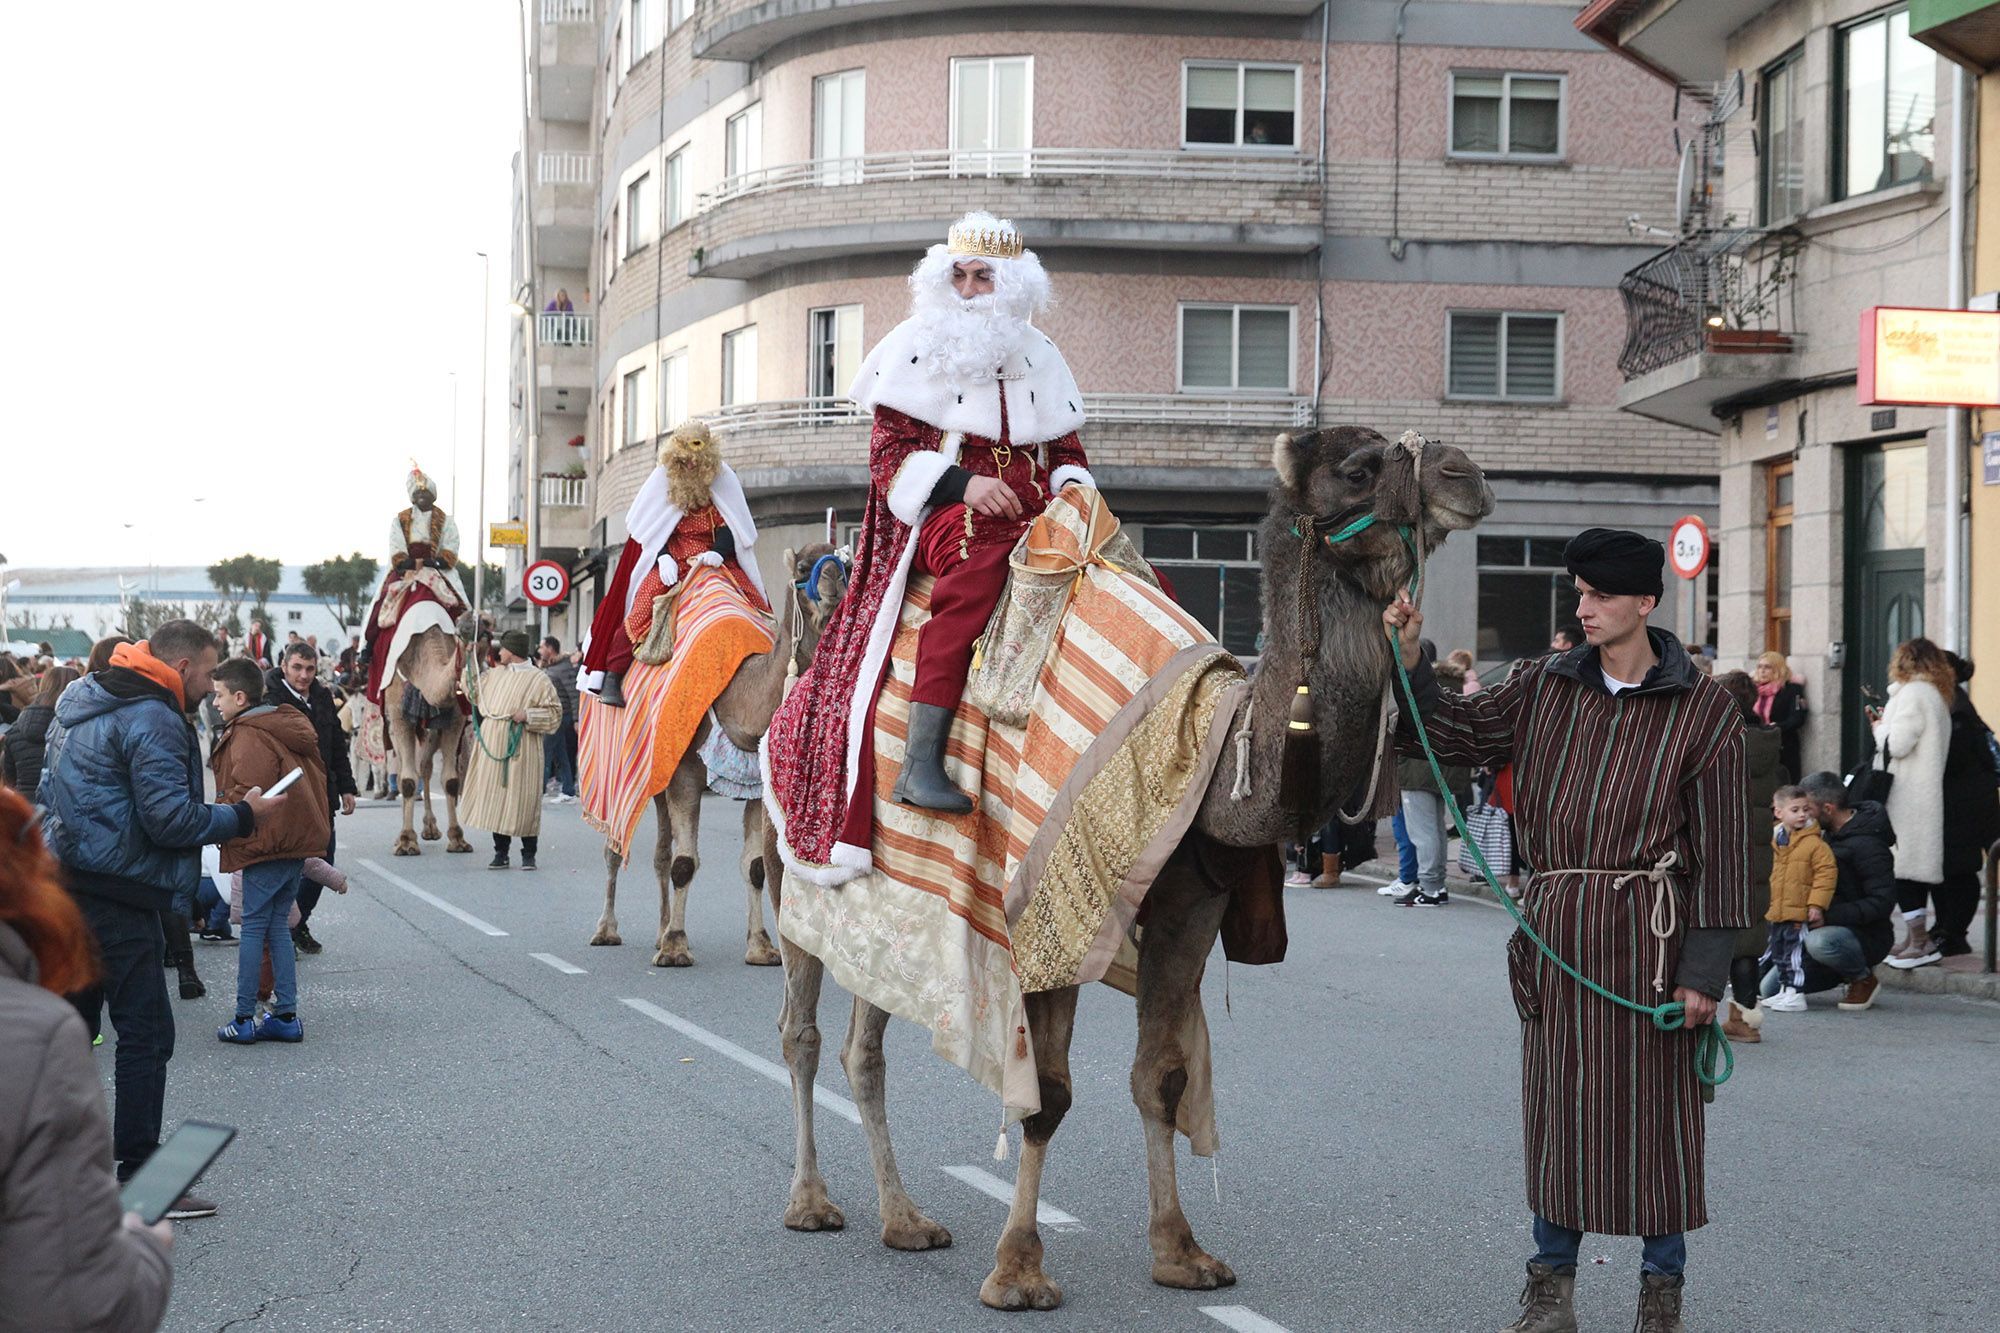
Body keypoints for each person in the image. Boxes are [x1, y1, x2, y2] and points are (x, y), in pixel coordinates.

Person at [1385, 528, 1746, 1333]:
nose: (1581, 608)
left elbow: (1724, 851)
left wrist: (1705, 973)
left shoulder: (1706, 708)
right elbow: (1451, 736)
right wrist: (1411, 660)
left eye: (1599, 595)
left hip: (1655, 943)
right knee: (1561, 1117)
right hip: (1558, 941)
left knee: (1660, 1123)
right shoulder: (1541, 683)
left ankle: (1662, 1295)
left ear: (1645, 602)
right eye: (1577, 593)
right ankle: (1550, 1291)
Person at [767, 212, 1095, 866]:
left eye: (985, 278)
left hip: (1040, 510)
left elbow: (1065, 446)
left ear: (1011, 287)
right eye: (962, 276)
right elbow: (890, 455)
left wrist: (1075, 490)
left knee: (1129, 580)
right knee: (974, 581)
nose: (972, 289)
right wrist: (963, 485)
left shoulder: (1041, 354)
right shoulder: (915, 344)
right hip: (952, 511)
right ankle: (921, 761)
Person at [38, 621, 287, 1208]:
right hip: (121, 894)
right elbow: (169, 820)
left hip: (67, 886)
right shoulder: (154, 716)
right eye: (207, 671)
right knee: (146, 1035)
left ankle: (48, 1174)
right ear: (179, 667)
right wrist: (243, 815)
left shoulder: (82, 695)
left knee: (71, 1035)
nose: (210, 684)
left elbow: (50, 791)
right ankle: (143, 1178)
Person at [0, 785, 175, 1331]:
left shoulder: (65, 726)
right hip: (127, 892)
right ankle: (142, 1159)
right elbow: (80, 1307)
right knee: (145, 1029)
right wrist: (149, 1249)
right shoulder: (33, 1035)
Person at [577, 419, 768, 708]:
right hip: (672, 558)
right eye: (686, 458)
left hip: (712, 559)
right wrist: (663, 554)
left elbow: (734, 525)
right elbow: (650, 529)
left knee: (751, 600)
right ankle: (614, 674)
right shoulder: (662, 478)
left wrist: (718, 550)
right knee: (642, 606)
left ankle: (769, 656)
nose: (691, 464)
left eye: (697, 458)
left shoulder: (723, 478)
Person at [208, 658, 330, 1044]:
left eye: (219, 695)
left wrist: (225, 826)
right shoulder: (281, 722)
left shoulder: (248, 733)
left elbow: (248, 795)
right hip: (292, 842)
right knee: (277, 925)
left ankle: (244, 1018)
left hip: (267, 842)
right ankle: (286, 1015)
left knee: (254, 929)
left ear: (240, 696)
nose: (215, 703)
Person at [264, 642, 357, 954]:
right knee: (290, 867)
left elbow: (336, 746)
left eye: (309, 669)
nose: (303, 675)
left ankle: (298, 922)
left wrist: (346, 787)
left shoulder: (321, 696)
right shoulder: (269, 699)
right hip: (288, 796)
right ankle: (283, 930)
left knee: (324, 861)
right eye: (297, 668)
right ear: (285, 666)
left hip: (322, 794)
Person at [1710, 670, 1784, 1044]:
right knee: (1749, 937)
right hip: (1755, 848)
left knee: (1707, 929)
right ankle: (1744, 1017)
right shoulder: (1766, 741)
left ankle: (1695, 1009)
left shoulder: (1719, 739)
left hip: (1719, 846)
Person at [1780, 771, 1897, 1009]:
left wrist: (1828, 916)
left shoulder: (1869, 845)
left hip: (1864, 936)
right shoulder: (1821, 836)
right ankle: (1838, 971)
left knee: (1820, 943)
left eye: (1807, 809)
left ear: (1828, 809)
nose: (1802, 815)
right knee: (1769, 986)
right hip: (1819, 928)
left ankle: (1862, 978)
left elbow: (1882, 901)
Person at [1872, 638, 1953, 969]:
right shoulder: (1935, 694)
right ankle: (1913, 937)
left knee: (1903, 869)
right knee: (1910, 871)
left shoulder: (1913, 694)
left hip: (1907, 796)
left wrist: (1879, 728)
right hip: (1923, 794)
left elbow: (1898, 744)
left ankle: (1918, 940)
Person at [361, 465, 468, 708]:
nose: (422, 497)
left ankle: (475, 663)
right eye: (418, 494)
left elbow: (450, 550)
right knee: (382, 606)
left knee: (463, 609)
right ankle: (368, 648)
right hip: (407, 569)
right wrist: (409, 563)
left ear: (433, 494)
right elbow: (396, 549)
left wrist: (431, 562)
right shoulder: (400, 519)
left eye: (426, 493)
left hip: (439, 569)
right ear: (412, 496)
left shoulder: (446, 521)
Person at [462, 630, 562, 870]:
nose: (500, 653)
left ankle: (529, 854)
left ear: (513, 651)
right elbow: (474, 693)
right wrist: (470, 661)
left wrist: (527, 715)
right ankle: (501, 852)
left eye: (503, 649)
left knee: (524, 799)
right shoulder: (495, 675)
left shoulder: (539, 679)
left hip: (523, 746)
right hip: (493, 744)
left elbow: (554, 714)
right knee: (497, 798)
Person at [1936, 652, 2000, 959]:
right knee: (1946, 868)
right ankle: (1944, 928)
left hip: (1967, 803)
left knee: (1959, 869)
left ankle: (1955, 933)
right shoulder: (1951, 703)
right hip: (1961, 799)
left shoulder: (1956, 711)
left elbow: (1956, 761)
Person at [1393, 656, 1469, 907]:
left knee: (1423, 833)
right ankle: (1436, 885)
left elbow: (1401, 721)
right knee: (1436, 831)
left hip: (1418, 770)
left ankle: (1430, 886)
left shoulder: (1424, 691)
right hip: (1445, 770)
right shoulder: (1456, 691)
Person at [1757, 785, 1838, 1013]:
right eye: (1795, 810)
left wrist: (1816, 905)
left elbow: (1826, 874)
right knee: (1779, 953)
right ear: (1779, 812)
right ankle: (1785, 989)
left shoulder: (1815, 844)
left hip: (1797, 912)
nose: (1802, 814)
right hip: (1776, 911)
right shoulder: (1774, 840)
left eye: (1805, 809)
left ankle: (1796, 992)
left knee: (1794, 954)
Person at [2, 665, 77, 802]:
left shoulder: (15, 729)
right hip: (65, 807)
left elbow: (9, 778)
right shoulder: (78, 728)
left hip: (27, 809)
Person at [1750, 651, 1807, 781]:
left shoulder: (1791, 689)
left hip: (1783, 746)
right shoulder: (1752, 690)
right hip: (1758, 746)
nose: (1762, 671)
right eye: (1759, 667)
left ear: (1778, 669)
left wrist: (1775, 727)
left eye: (1767, 667)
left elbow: (1797, 718)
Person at [540, 636, 579, 802]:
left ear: (550, 648)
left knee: (545, 751)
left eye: (542, 647)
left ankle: (538, 790)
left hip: (561, 715)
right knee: (560, 752)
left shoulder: (563, 668)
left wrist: (577, 719)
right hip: (555, 715)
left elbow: (573, 694)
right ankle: (568, 789)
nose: (540, 650)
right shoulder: (552, 667)